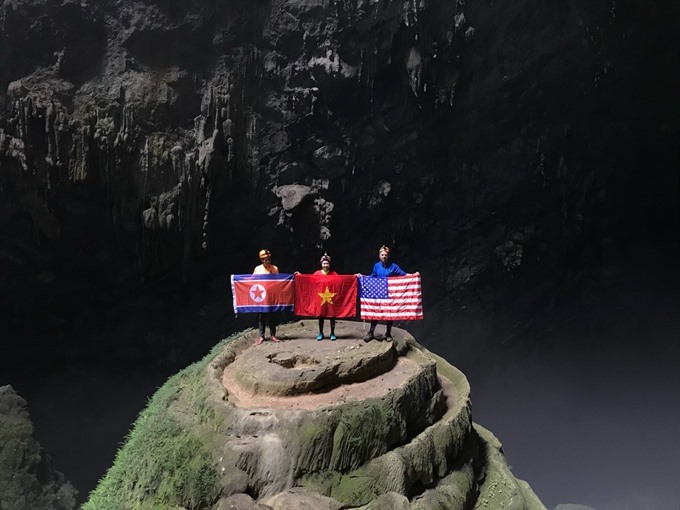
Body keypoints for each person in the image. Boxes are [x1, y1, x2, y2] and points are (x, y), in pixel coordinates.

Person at [360, 245, 412, 342]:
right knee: (376, 313)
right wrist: (362, 277)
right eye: (382, 255)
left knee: (389, 314)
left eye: (386, 255)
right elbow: (372, 276)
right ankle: (371, 332)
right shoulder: (376, 266)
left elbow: (403, 274)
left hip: (390, 293)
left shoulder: (393, 266)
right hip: (379, 293)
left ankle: (388, 333)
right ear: (379, 256)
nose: (384, 256)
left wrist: (413, 275)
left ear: (388, 256)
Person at [253, 249, 281, 345]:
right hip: (261, 296)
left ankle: (273, 335)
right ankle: (261, 336)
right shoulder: (257, 269)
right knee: (262, 317)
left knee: (272, 316)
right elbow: (251, 282)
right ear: (262, 260)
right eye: (265, 259)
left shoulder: (274, 268)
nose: (267, 261)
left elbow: (279, 281)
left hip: (271, 296)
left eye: (268, 259)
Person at [313, 253, 338, 341]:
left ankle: (332, 332)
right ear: (321, 264)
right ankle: (320, 332)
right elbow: (309, 281)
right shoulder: (317, 273)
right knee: (321, 315)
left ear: (329, 264)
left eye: (327, 263)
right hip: (320, 298)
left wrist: (353, 277)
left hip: (331, 298)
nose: (326, 265)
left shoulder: (334, 274)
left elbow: (341, 282)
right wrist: (300, 276)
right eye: (324, 263)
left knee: (332, 315)